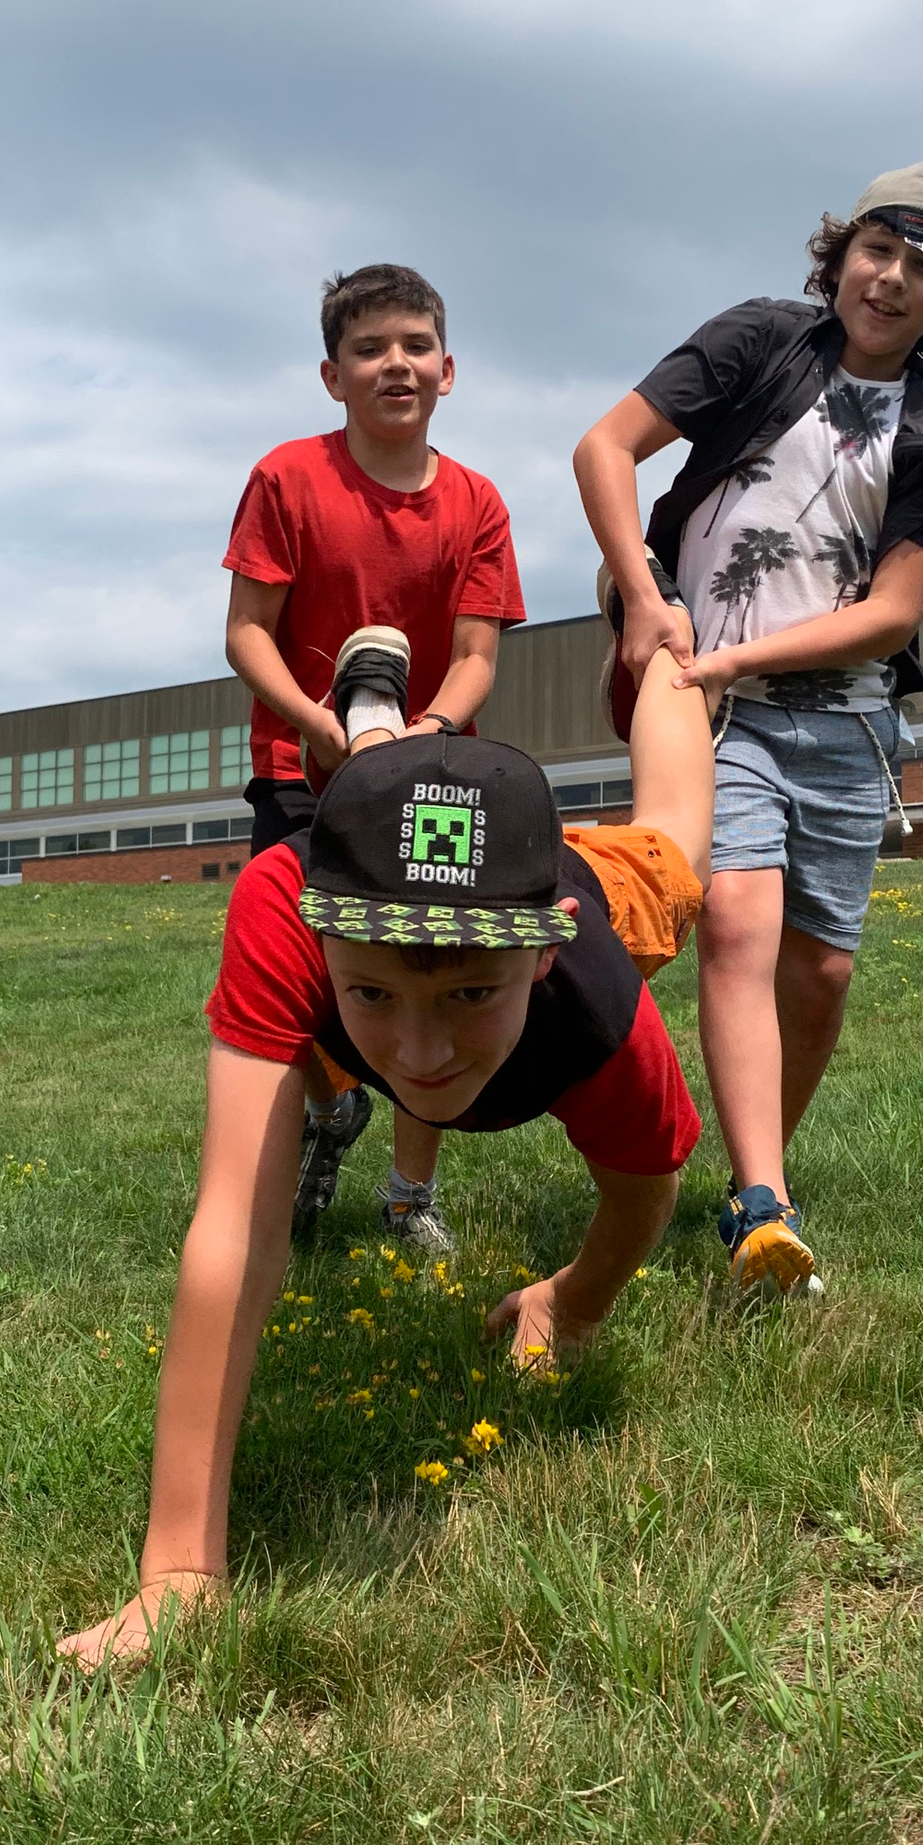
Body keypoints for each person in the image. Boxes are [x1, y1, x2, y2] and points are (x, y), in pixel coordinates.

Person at [57, 626, 713, 1669]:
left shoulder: (596, 1000)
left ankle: (665, 623)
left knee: (677, 839)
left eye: (467, 993)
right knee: (379, 805)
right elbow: (235, 1226)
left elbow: (644, 1196)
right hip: (391, 866)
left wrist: (571, 1304)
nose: (420, 1053)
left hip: (581, 878)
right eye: (372, 992)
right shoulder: (286, 906)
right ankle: (376, 722)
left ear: (539, 956)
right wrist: (180, 1573)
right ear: (322, 941)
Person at [574, 165, 923, 1292]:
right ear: (840, 253)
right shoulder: (761, 340)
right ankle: (761, 1206)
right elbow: (605, 448)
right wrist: (648, 601)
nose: (894, 280)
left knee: (817, 974)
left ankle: (749, 1173)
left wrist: (738, 649)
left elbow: (893, 614)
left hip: (850, 727)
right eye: (879, 251)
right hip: (713, 707)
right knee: (736, 918)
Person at [223, 264, 527, 1260]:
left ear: (449, 369)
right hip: (299, 763)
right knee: (298, 966)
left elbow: (479, 655)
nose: (394, 363)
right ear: (331, 375)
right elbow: (246, 634)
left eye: (413, 345)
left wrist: (420, 734)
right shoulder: (286, 479)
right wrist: (317, 721)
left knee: (425, 969)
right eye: (369, 349)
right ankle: (332, 1099)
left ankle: (409, 1195)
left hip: (433, 774)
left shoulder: (477, 503)